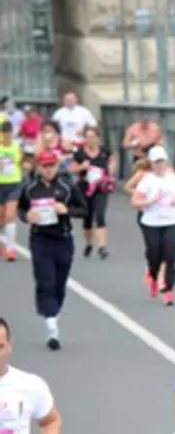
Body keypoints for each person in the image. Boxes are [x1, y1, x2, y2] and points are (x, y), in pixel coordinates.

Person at [18, 149, 87, 349]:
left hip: (62, 239)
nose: (48, 170)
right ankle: (50, 323)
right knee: (44, 279)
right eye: (45, 166)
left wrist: (66, 210)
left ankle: (53, 311)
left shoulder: (66, 187)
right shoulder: (30, 188)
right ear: (39, 167)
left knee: (59, 282)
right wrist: (26, 216)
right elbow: (22, 209)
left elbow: (83, 210)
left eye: (51, 166)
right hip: (40, 239)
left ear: (57, 166)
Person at [129, 146, 175, 306]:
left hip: (171, 222)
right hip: (151, 222)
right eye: (156, 162)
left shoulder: (173, 179)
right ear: (151, 164)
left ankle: (168, 290)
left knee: (171, 256)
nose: (160, 165)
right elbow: (134, 202)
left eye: (162, 162)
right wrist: (149, 202)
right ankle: (153, 277)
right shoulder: (147, 181)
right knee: (155, 254)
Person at [70, 126, 116, 260]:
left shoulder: (105, 152)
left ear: (98, 138)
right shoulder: (79, 153)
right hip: (84, 187)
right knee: (87, 218)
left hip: (101, 187)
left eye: (93, 137)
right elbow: (71, 169)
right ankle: (89, 243)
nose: (90, 140)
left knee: (100, 215)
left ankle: (102, 247)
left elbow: (112, 162)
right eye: (88, 137)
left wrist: (110, 172)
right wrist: (81, 167)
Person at [0, 120, 22, 263]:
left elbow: (20, 161)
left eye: (9, 132)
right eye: (4, 133)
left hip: (14, 183)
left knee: (10, 215)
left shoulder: (16, 146)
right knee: (1, 217)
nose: (7, 135)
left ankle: (10, 249)